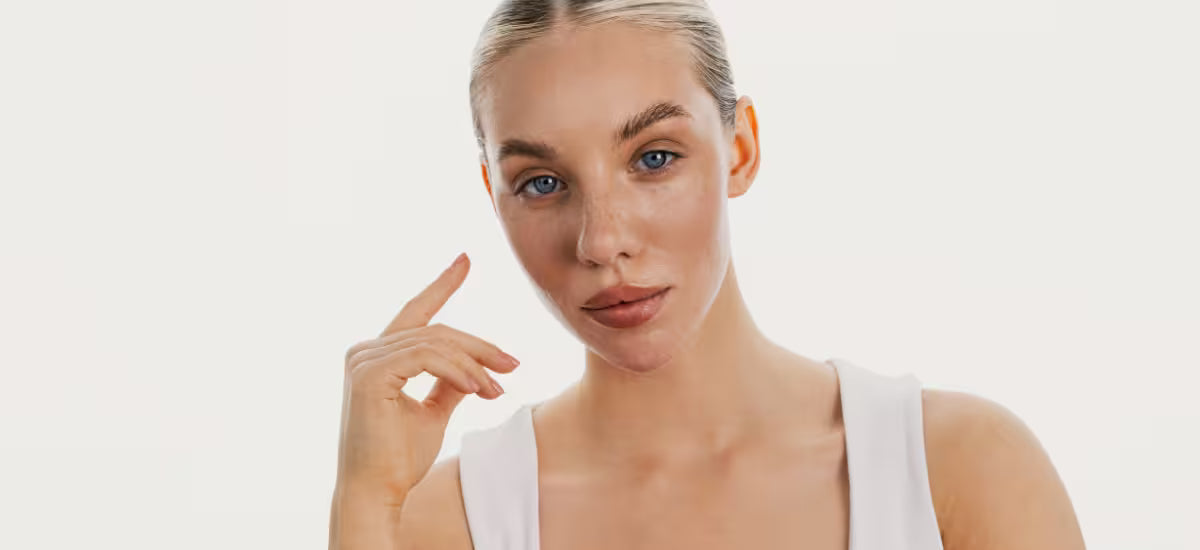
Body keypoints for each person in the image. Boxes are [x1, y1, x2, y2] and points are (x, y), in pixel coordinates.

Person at [329, 1, 1086, 549]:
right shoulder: (444, 520)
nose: (602, 241)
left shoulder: (958, 465)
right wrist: (366, 502)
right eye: (542, 183)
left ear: (741, 149)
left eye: (653, 158)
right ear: (494, 197)